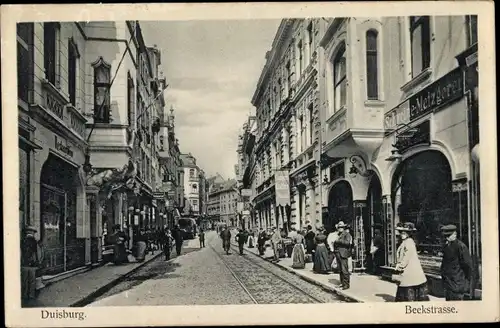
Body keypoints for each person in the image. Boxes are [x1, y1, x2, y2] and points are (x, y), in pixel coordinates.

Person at [394, 222, 430, 302]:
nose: (402, 234)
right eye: (401, 232)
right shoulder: (406, 242)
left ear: (409, 233)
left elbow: (406, 256)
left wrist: (400, 265)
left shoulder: (409, 242)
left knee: (407, 293)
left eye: (404, 233)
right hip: (410, 272)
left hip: (410, 272)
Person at [440, 224, 474, 301]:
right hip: (448, 283)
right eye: (445, 236)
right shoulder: (447, 245)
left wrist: (465, 281)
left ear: (455, 234)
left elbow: (467, 265)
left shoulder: (461, 246)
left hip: (457, 284)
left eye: (448, 236)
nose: (446, 238)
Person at [21, 226, 40, 307]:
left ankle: (24, 295)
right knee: (32, 281)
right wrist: (38, 262)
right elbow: (38, 254)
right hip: (32, 265)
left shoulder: (22, 241)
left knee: (24, 280)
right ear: (32, 233)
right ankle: (31, 295)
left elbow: (20, 253)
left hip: (24, 264)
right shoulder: (35, 242)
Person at [333, 221, 353, 290]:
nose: (340, 228)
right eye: (339, 227)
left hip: (343, 253)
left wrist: (338, 241)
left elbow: (347, 243)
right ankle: (342, 283)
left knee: (344, 270)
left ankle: (346, 285)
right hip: (338, 253)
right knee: (340, 270)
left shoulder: (347, 234)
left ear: (344, 227)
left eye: (341, 227)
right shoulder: (339, 234)